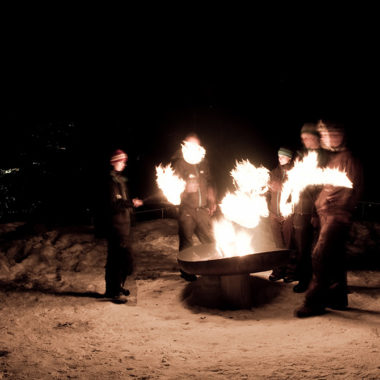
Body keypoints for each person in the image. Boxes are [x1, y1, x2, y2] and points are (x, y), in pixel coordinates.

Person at [295, 121, 363, 317]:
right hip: (328, 215)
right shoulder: (335, 158)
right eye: (325, 134)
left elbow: (353, 189)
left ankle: (314, 303)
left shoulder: (349, 158)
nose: (326, 138)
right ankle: (338, 298)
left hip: (336, 216)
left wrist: (339, 210)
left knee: (319, 256)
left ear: (342, 135)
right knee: (335, 259)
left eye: (331, 134)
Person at [287, 122, 329, 292]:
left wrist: (314, 213)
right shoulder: (301, 154)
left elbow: (321, 186)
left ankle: (322, 280)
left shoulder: (324, 157)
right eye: (302, 138)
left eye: (307, 137)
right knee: (301, 247)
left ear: (315, 137)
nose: (304, 141)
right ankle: (303, 279)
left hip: (317, 209)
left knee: (320, 247)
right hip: (300, 208)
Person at [172, 133, 217, 281]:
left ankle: (213, 266)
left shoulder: (203, 162)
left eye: (198, 145)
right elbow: (171, 186)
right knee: (187, 242)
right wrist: (185, 188)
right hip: (187, 209)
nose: (196, 148)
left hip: (202, 208)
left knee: (208, 239)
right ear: (186, 145)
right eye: (193, 145)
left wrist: (212, 199)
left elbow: (210, 182)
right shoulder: (179, 163)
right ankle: (187, 271)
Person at [104, 149, 143, 302]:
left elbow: (122, 201)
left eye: (125, 161)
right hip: (116, 226)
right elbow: (113, 204)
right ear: (114, 162)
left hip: (123, 225)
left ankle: (114, 288)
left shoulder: (119, 181)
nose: (124, 164)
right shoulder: (110, 182)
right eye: (122, 161)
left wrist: (130, 205)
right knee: (120, 259)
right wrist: (131, 203)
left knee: (119, 259)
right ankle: (114, 291)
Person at [267, 147, 294, 282]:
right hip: (274, 215)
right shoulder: (273, 173)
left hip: (288, 215)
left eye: (283, 157)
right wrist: (269, 209)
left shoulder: (295, 173)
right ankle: (278, 271)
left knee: (288, 245)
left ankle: (290, 271)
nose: (280, 159)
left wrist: (281, 187)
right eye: (279, 156)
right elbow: (266, 193)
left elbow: (298, 194)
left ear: (289, 158)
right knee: (277, 245)